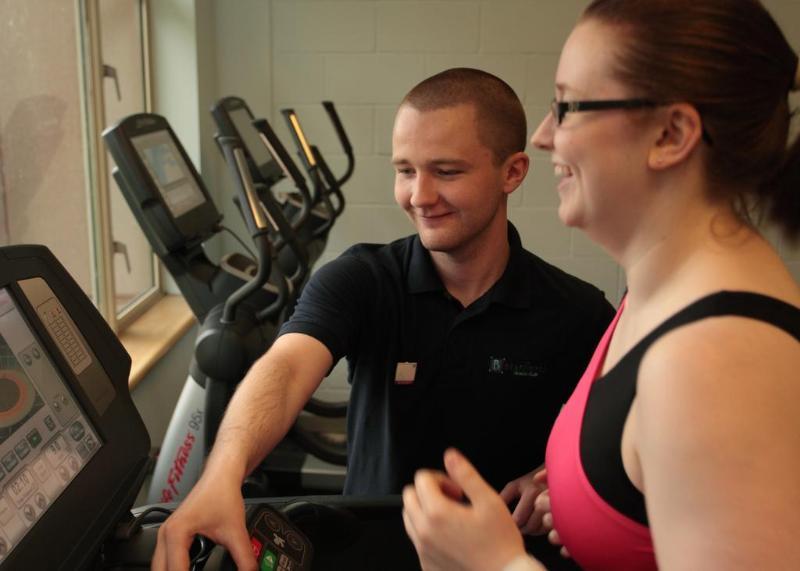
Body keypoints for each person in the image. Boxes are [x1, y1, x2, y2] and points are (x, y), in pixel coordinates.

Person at [152, 68, 615, 570]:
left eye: (447, 171)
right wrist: (223, 471)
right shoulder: (361, 280)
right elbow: (285, 371)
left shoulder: (578, 313)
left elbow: (617, 441)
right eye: (406, 170)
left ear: (513, 172)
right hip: (372, 551)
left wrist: (557, 476)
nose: (419, 196)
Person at [401, 1, 800, 570]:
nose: (543, 136)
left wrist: (494, 563)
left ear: (671, 133)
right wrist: (577, 491)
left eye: (567, 107)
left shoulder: (714, 360)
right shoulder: (656, 294)